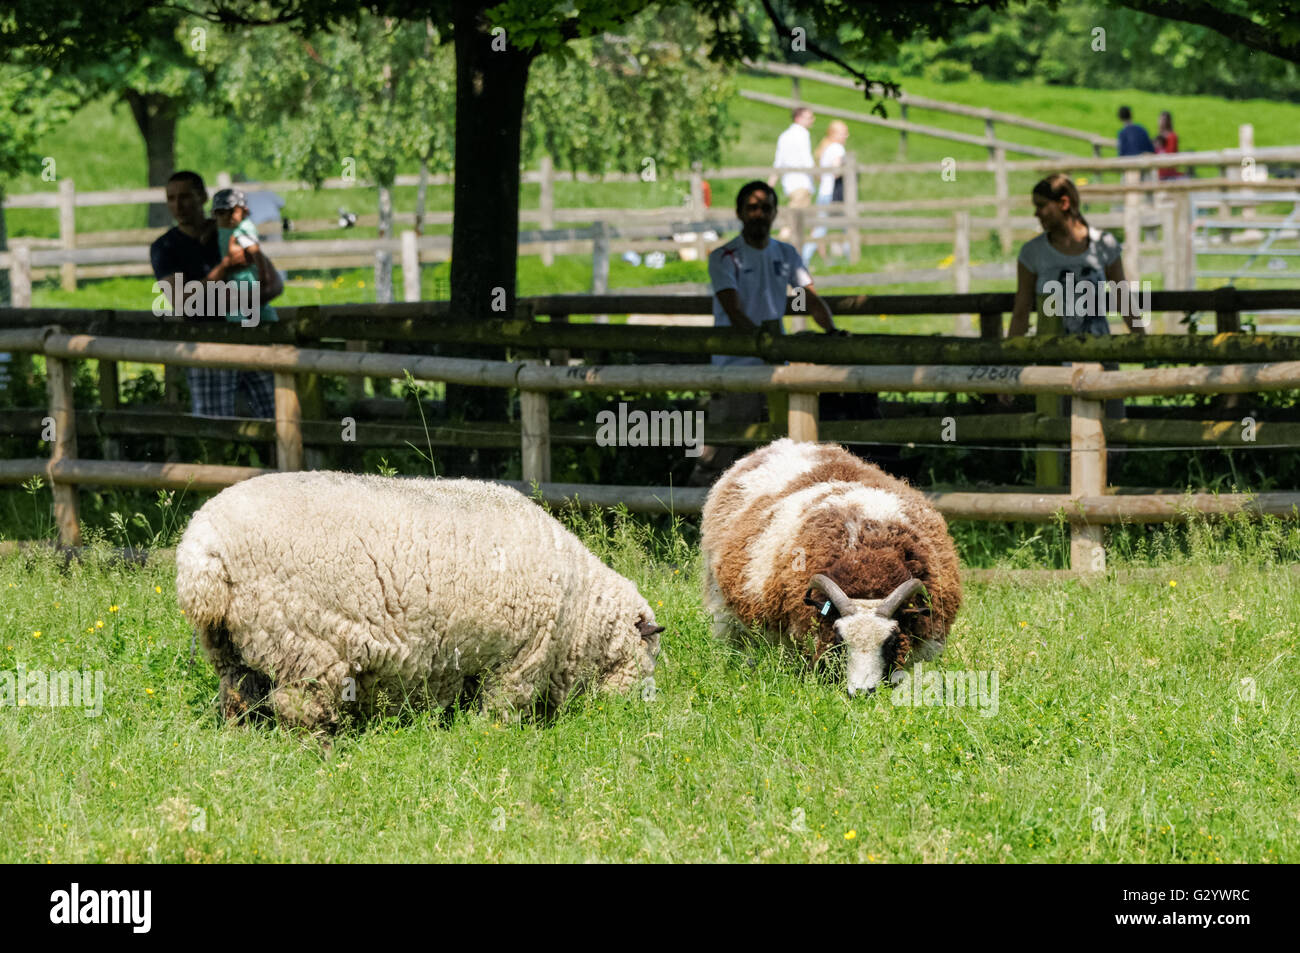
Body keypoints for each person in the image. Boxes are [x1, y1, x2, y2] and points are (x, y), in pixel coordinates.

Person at [688, 182, 844, 485]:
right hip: (734, 368)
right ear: (740, 213)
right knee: (717, 453)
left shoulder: (785, 254)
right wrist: (765, 343)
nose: (759, 214)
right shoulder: (725, 256)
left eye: (766, 208)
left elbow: (807, 298)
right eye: (752, 208)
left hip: (774, 370)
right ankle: (685, 511)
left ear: (775, 213)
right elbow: (733, 311)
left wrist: (832, 330)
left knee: (778, 453)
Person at [1007, 174, 1143, 421]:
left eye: (1041, 206)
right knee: (1060, 435)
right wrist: (1009, 366)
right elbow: (1021, 311)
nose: (1036, 214)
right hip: (1054, 362)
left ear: (1064, 204)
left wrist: (1144, 344)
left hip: (1101, 355)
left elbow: (1122, 297)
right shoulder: (1032, 253)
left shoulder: (1104, 245)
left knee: (1112, 434)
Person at [149, 171, 276, 420]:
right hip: (207, 343)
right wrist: (225, 269)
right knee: (214, 426)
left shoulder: (230, 233)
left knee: (282, 420)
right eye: (171, 198)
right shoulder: (165, 247)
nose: (178, 205)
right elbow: (183, 304)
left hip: (253, 335)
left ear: (203, 197)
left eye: (185, 197)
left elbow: (272, 284)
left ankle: (287, 460)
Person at [211, 187, 279, 328]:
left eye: (233, 212)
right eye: (222, 213)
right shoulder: (222, 228)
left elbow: (255, 252)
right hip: (234, 277)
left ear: (244, 211)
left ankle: (248, 330)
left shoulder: (242, 230)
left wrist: (263, 274)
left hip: (246, 277)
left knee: (243, 306)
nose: (227, 217)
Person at [804, 119, 849, 264]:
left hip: (824, 192)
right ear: (834, 134)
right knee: (827, 228)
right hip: (832, 193)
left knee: (841, 226)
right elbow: (836, 171)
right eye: (843, 133)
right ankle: (804, 259)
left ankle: (850, 258)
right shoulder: (837, 148)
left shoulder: (827, 148)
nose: (847, 135)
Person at [771, 107, 816, 243]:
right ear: (798, 118)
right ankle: (775, 252)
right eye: (808, 118)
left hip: (789, 184)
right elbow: (807, 161)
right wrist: (819, 175)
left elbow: (778, 162)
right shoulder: (803, 134)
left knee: (797, 222)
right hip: (802, 183)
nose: (812, 121)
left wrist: (771, 182)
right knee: (793, 223)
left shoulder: (784, 136)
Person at [1154, 111, 1183, 180]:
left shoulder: (1172, 136)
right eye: (1160, 120)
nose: (1161, 122)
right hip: (1158, 170)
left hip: (1168, 170)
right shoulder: (1158, 136)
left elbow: (1171, 153)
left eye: (1163, 120)